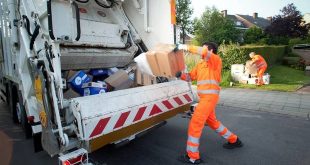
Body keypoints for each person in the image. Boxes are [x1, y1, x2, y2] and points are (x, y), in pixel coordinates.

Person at [175, 42, 243, 164]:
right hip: (205, 99)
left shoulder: (216, 61)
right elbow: (190, 76)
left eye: (204, 48)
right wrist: (180, 75)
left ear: (211, 50)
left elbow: (203, 52)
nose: (202, 51)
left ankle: (193, 157)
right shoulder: (200, 64)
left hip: (209, 98)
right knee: (212, 122)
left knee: (195, 124)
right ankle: (234, 140)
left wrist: (185, 47)